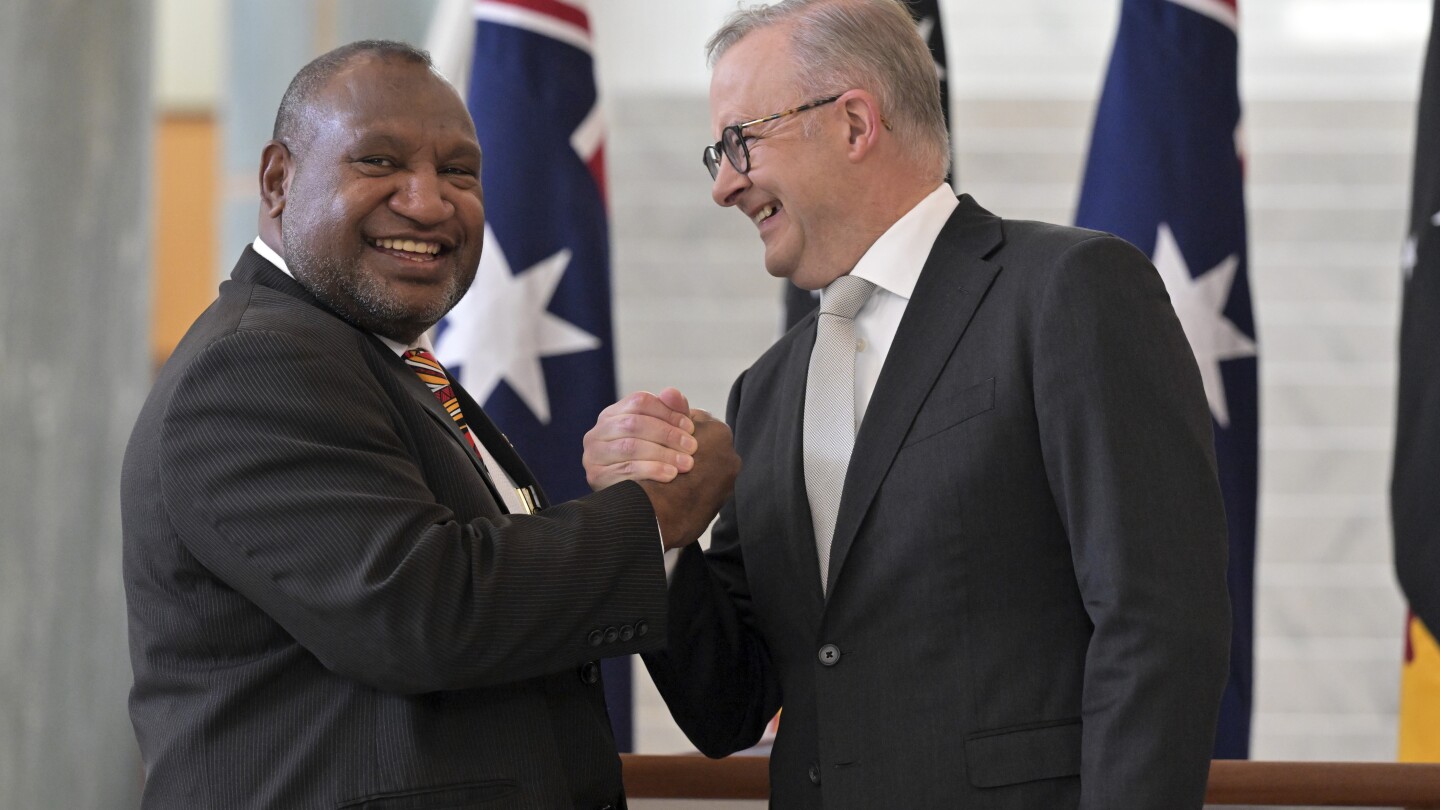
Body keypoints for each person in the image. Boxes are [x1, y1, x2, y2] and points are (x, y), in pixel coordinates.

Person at [582, 1, 1231, 807]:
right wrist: (664, 535)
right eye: (718, 152)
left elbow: (1157, 625)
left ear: (855, 123)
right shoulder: (769, 390)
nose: (723, 186)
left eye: (741, 141)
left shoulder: (1069, 291)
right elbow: (731, 708)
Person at [121, 40, 737, 809]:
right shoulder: (252, 366)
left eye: (459, 172)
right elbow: (419, 610)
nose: (429, 201)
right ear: (279, 181)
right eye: (379, 162)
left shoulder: (377, 360)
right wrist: (655, 515)